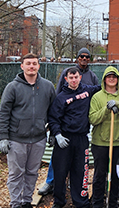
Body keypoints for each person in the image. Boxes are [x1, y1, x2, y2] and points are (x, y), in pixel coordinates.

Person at [0, 53, 56, 208]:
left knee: (32, 173)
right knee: (16, 175)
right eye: (28, 63)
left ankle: (26, 204)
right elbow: (4, 113)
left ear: (39, 66)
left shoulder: (47, 87)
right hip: (17, 139)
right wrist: (3, 137)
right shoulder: (12, 87)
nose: (32, 66)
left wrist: (52, 132)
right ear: (22, 66)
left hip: (38, 139)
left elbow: (53, 113)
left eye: (35, 63)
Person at [39, 47, 100, 196]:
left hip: (81, 128)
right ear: (77, 58)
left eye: (87, 57)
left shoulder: (92, 77)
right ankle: (50, 182)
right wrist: (55, 131)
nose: (84, 59)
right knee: (59, 162)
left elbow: (100, 90)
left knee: (79, 168)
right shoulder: (67, 72)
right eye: (81, 56)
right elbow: (58, 96)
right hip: (64, 129)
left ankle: (77, 192)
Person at [47, 67, 101, 208]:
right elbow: (53, 118)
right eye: (70, 78)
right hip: (64, 139)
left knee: (81, 172)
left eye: (76, 77)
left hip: (81, 138)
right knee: (60, 172)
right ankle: (58, 201)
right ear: (66, 79)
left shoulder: (87, 91)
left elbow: (103, 86)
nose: (74, 80)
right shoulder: (61, 97)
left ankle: (81, 204)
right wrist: (57, 134)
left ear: (80, 77)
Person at [89, 66, 119, 208]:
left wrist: (118, 105)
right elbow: (93, 119)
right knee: (100, 175)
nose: (111, 79)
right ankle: (97, 205)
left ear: (118, 79)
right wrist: (106, 110)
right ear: (104, 79)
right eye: (108, 76)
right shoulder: (97, 97)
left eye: (114, 76)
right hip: (100, 142)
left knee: (116, 176)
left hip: (118, 142)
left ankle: (113, 205)